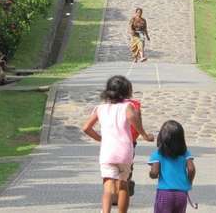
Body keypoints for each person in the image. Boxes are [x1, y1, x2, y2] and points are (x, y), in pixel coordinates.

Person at [82, 76, 154, 213]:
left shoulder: (100, 108)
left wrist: (100, 138)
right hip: (124, 152)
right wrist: (145, 135)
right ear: (127, 91)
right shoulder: (128, 107)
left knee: (108, 187)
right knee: (123, 185)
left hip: (107, 152)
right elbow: (134, 119)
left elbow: (86, 128)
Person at [149, 120, 196, 213]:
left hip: (164, 193)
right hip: (181, 194)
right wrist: (189, 182)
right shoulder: (185, 154)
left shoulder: (158, 154)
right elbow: (191, 169)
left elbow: (154, 173)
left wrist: (151, 174)